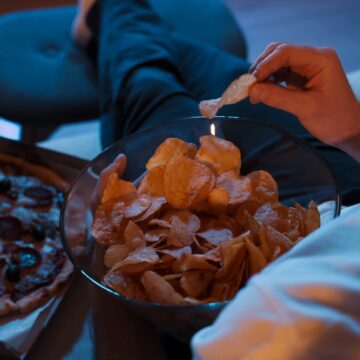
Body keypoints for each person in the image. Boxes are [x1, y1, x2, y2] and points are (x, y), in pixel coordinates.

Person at [74, 0, 360, 359]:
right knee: (231, 75)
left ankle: (111, 11)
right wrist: (353, 132)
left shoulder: (283, 328)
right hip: (351, 185)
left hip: (282, 263)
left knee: (149, 87)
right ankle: (128, 22)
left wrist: (107, 275)